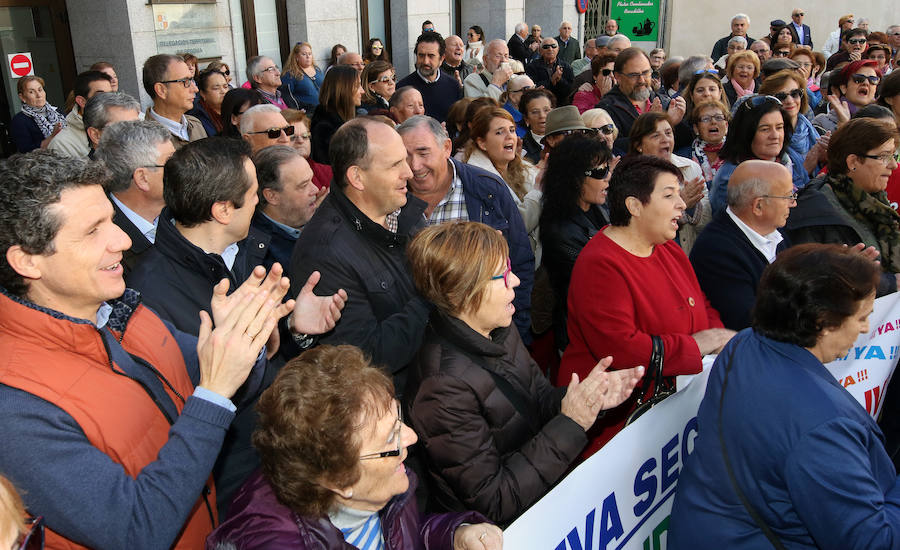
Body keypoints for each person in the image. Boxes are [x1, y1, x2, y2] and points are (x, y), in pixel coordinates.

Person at [0, 149, 340, 549]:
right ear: (28, 262)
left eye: (111, 219)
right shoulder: (16, 405)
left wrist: (245, 335)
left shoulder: (122, 312)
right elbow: (136, 531)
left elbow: (237, 382)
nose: (123, 240)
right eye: (93, 231)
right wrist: (212, 394)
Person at [405, 222, 642, 525]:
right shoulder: (440, 387)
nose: (515, 280)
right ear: (462, 292)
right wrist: (571, 424)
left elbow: (537, 402)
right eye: (501, 275)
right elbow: (494, 500)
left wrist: (586, 399)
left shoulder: (499, 328)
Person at [668, 244, 900, 549]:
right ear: (822, 322)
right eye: (860, 317)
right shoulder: (823, 428)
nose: (866, 328)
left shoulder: (746, 344)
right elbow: (874, 542)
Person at [207, 344, 502, 549]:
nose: (410, 437)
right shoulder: (276, 542)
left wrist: (453, 536)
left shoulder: (375, 482)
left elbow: (400, 537)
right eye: (391, 438)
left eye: (398, 420)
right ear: (338, 480)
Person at [558, 155, 733, 456]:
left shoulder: (667, 247)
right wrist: (697, 345)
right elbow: (622, 349)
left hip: (674, 410)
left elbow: (699, 303)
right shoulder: (600, 264)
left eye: (679, 194)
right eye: (669, 195)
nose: (681, 204)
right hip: (619, 428)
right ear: (635, 206)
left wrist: (720, 339)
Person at [288, 118, 428, 393]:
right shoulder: (324, 255)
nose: (409, 172)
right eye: (394, 165)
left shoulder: (402, 209)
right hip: (395, 407)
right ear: (357, 177)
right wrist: (437, 294)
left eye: (406, 160)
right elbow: (364, 358)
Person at [396, 114, 534, 340]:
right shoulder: (392, 200)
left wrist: (511, 337)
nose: (414, 166)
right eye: (405, 156)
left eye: (423, 152)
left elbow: (520, 261)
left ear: (446, 147)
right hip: (418, 340)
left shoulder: (488, 190)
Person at [784, 117, 900, 296]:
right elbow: (809, 286)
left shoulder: (875, 200)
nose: (893, 165)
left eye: (894, 155)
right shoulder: (813, 211)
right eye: (884, 156)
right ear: (853, 162)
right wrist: (887, 284)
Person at [689, 160, 794, 330]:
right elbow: (748, 321)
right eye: (788, 196)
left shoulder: (776, 233)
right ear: (758, 206)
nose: (793, 203)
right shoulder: (716, 251)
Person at [539, 135, 612, 351]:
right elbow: (600, 282)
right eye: (599, 172)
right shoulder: (559, 230)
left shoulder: (601, 208)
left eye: (607, 169)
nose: (607, 178)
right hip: (582, 339)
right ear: (574, 178)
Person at [95, 119, 175, 275]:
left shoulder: (186, 213)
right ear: (142, 178)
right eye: (172, 162)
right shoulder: (109, 253)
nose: (184, 168)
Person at [710, 95, 809, 214]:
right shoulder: (731, 176)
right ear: (747, 134)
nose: (775, 136)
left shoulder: (789, 161)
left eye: (779, 127)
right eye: (765, 129)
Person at [464, 107, 541, 259]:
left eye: (512, 130)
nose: (510, 137)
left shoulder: (524, 169)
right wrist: (539, 190)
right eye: (499, 132)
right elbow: (515, 226)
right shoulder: (478, 180)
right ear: (482, 143)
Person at [628, 112, 708, 254]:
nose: (665, 140)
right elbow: (637, 226)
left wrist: (691, 209)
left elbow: (706, 222)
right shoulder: (629, 177)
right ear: (639, 145)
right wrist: (679, 206)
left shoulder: (690, 168)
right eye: (656, 136)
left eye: (668, 133)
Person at [596, 47, 686, 152]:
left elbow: (684, 145)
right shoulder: (607, 108)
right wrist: (649, 126)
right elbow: (614, 148)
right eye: (634, 75)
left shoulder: (665, 102)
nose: (641, 80)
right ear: (618, 77)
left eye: (645, 73)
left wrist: (674, 123)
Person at [250, 145, 319, 270]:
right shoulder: (260, 258)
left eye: (311, 180)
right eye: (303, 186)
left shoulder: (325, 220)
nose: (315, 189)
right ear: (272, 196)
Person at [759, 69, 827, 176]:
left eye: (795, 94)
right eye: (781, 96)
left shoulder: (816, 132)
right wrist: (806, 168)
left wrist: (826, 159)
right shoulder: (766, 138)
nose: (790, 101)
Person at [142, 54, 207, 147]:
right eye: (185, 81)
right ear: (161, 90)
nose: (195, 89)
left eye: (192, 80)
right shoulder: (143, 140)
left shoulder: (196, 125)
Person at [397, 31, 463, 123]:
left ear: (442, 58)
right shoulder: (403, 88)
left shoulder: (453, 86)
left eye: (431, 56)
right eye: (421, 55)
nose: (425, 61)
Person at [48, 70, 112, 158]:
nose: (110, 101)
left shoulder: (121, 125)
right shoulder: (61, 144)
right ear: (82, 101)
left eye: (111, 95)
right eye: (101, 96)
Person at [310, 65, 362, 164]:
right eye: (357, 86)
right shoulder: (325, 128)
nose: (362, 91)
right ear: (343, 89)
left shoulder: (348, 118)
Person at [812, 60, 881, 134]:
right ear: (843, 88)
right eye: (858, 79)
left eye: (873, 79)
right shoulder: (822, 122)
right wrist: (843, 126)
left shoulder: (884, 120)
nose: (866, 83)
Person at [678, 100, 730, 186]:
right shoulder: (683, 158)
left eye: (718, 118)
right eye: (706, 119)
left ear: (726, 126)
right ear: (696, 128)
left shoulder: (738, 154)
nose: (713, 122)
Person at [10, 75, 66, 153]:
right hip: (42, 163)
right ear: (22, 97)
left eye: (40, 90)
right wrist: (52, 137)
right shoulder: (19, 121)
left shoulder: (58, 112)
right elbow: (26, 151)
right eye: (31, 92)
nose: (39, 95)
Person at [281, 108, 333, 190]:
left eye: (305, 136)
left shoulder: (328, 172)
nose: (300, 141)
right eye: (292, 137)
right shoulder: (277, 181)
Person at [81, 90, 142, 157]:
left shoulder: (149, 162)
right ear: (95, 135)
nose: (135, 133)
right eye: (123, 128)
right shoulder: (88, 167)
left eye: (137, 125)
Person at [525, 37, 574, 104]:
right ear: (540, 50)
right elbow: (532, 87)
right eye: (546, 47)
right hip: (539, 103)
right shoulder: (532, 67)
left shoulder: (566, 67)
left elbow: (570, 90)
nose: (550, 49)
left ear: (558, 49)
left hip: (561, 105)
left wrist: (560, 80)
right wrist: (551, 81)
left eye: (553, 46)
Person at [280, 41, 324, 112]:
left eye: (310, 54)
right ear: (296, 57)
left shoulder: (317, 70)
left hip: (324, 110)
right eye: (304, 54)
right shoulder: (290, 74)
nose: (308, 56)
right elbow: (286, 97)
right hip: (307, 113)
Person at [519, 88, 555, 164]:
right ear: (526, 119)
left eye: (546, 110)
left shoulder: (566, 139)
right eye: (535, 112)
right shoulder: (521, 150)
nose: (542, 116)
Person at [187, 68, 228, 136]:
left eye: (225, 87)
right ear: (203, 94)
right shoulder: (196, 118)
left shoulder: (234, 109)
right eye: (216, 88)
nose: (223, 91)